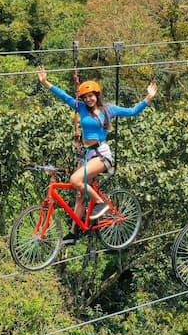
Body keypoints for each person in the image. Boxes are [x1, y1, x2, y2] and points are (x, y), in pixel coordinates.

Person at [38, 66, 158, 244]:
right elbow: (64, 96)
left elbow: (132, 112)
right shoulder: (81, 109)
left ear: (97, 94)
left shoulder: (108, 109)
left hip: (102, 154)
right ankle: (73, 233)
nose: (88, 99)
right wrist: (45, 83)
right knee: (79, 194)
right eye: (85, 97)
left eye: (91, 96)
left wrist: (148, 97)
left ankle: (101, 203)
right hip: (87, 155)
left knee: (74, 180)